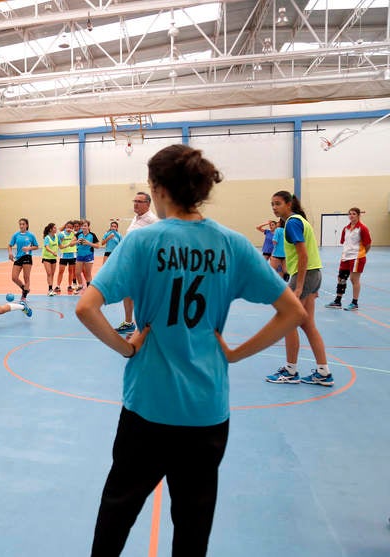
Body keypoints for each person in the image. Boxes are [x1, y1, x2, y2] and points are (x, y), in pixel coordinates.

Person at [75, 144, 304, 557]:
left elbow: (86, 307)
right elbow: (292, 311)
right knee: (194, 523)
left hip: (147, 405)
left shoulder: (143, 241)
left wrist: (125, 349)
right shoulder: (232, 244)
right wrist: (234, 354)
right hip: (206, 410)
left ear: (160, 189)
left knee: (118, 511)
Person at [265, 190, 333, 386]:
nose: (274, 207)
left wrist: (300, 286)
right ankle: (323, 372)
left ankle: (290, 370)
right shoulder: (299, 222)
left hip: (304, 276)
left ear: (289, 204)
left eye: (277, 203)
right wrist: (312, 284)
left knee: (288, 321)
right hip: (313, 273)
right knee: (308, 324)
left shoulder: (293, 222)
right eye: (272, 204)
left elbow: (303, 255)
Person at [115, 192, 159, 334]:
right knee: (127, 292)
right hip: (131, 263)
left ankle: (149, 324)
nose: (136, 204)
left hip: (145, 264)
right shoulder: (136, 218)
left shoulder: (153, 220)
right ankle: (129, 322)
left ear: (148, 204)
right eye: (135, 201)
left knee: (145, 295)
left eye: (139, 201)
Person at [324, 207, 372, 311]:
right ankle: (338, 301)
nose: (351, 216)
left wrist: (361, 254)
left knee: (354, 280)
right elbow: (344, 243)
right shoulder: (345, 229)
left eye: (354, 214)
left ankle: (354, 303)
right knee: (341, 278)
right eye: (350, 214)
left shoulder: (362, 228)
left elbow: (368, 244)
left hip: (357, 258)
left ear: (358, 215)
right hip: (345, 257)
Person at [8, 217, 39, 301]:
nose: (21, 226)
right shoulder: (16, 235)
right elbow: (10, 245)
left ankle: (24, 296)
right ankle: (25, 289)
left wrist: (28, 249)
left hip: (27, 257)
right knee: (14, 277)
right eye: (20, 224)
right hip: (18, 257)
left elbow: (36, 246)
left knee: (26, 277)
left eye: (23, 224)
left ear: (27, 225)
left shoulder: (31, 235)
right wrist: (10, 253)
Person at [74, 220, 100, 292]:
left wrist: (89, 243)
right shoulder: (78, 234)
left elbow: (98, 246)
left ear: (88, 226)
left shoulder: (92, 235)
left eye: (85, 225)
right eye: (82, 226)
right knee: (77, 272)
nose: (83, 227)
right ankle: (80, 285)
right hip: (80, 255)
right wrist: (77, 241)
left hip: (89, 255)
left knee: (87, 273)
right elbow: (71, 243)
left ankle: (89, 287)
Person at [55, 221, 78, 294]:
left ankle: (69, 285)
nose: (69, 228)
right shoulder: (61, 234)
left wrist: (72, 231)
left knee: (71, 271)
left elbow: (77, 235)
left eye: (71, 227)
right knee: (61, 271)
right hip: (64, 255)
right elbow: (60, 244)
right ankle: (58, 286)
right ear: (65, 226)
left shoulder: (74, 234)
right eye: (68, 227)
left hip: (72, 254)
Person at [41, 223, 59, 296]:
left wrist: (68, 245)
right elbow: (47, 247)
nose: (56, 229)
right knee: (49, 273)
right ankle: (50, 289)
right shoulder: (47, 238)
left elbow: (60, 245)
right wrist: (52, 252)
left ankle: (51, 289)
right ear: (51, 229)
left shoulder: (56, 237)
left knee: (52, 274)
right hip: (46, 257)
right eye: (54, 228)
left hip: (53, 258)